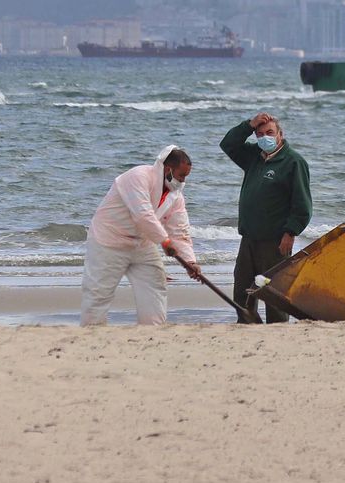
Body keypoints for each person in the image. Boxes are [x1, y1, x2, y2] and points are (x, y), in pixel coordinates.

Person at [81, 145, 200, 326]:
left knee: (155, 283)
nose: (183, 181)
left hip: (142, 244)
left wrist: (190, 261)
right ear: (168, 169)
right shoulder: (138, 176)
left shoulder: (176, 196)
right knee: (99, 293)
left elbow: (180, 230)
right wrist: (164, 241)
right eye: (181, 175)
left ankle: (152, 330)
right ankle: (91, 331)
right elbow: (142, 215)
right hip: (109, 241)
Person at [221, 111, 312, 322]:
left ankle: (277, 332)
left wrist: (290, 233)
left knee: (273, 293)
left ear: (280, 134)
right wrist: (248, 125)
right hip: (249, 239)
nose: (265, 138)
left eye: (269, 132)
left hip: (275, 242)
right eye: (260, 134)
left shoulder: (293, 162)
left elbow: (302, 205)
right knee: (242, 291)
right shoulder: (253, 157)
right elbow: (228, 144)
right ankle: (247, 324)